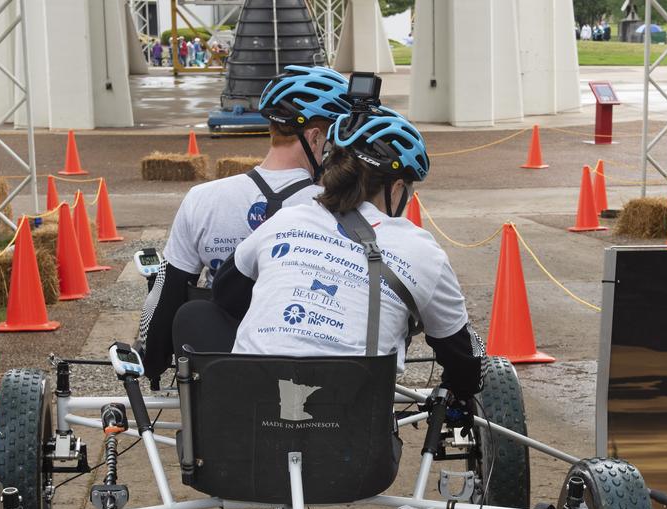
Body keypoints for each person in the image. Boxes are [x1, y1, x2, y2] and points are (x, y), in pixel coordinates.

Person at [199, 90, 483, 399]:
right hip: (353, 429)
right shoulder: (423, 251)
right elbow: (463, 359)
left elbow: (225, 294)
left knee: (195, 314)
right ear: (397, 187)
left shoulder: (286, 220)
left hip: (252, 416)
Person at [137, 65, 351, 387]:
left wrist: (151, 361)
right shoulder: (341, 209)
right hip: (315, 384)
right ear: (316, 137)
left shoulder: (203, 199)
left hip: (226, 386)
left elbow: (166, 298)